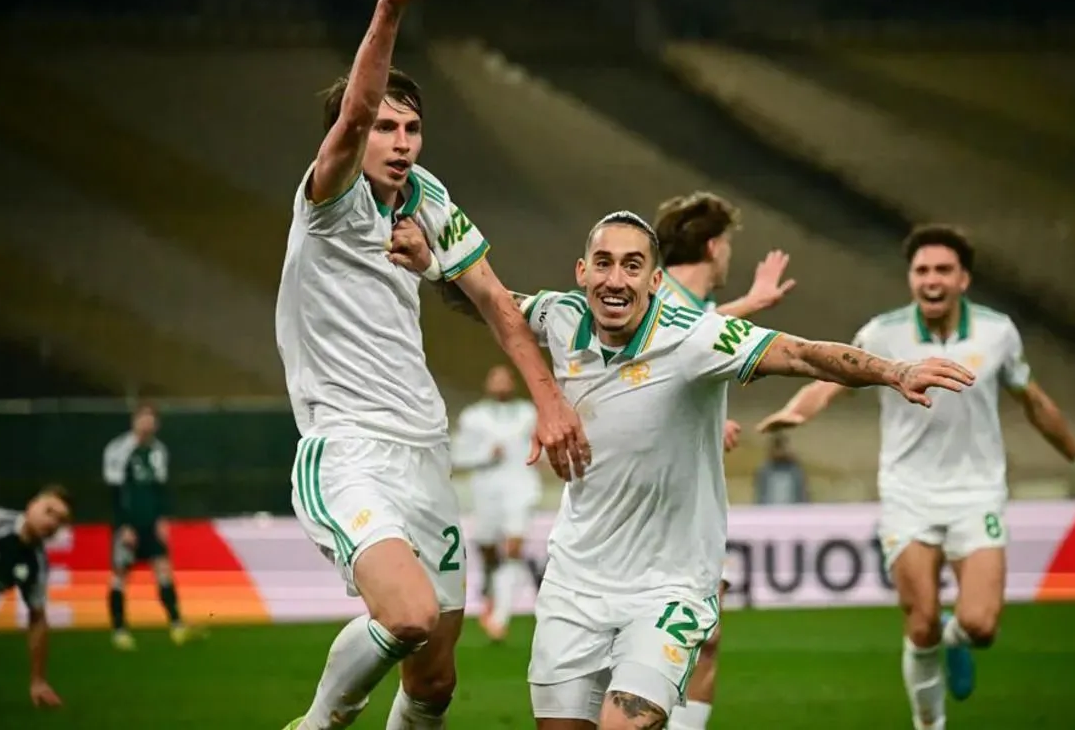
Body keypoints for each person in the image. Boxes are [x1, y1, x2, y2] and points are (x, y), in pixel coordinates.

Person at [391, 210, 973, 729]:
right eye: (603, 263)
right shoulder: (561, 316)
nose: (616, 279)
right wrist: (431, 265)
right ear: (582, 272)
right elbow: (487, 302)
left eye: (633, 266)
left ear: (654, 280)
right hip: (574, 583)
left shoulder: (695, 338)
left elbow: (798, 353)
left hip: (668, 587)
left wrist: (894, 371)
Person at [274, 0, 588, 730]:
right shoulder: (329, 195)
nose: (401, 140)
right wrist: (391, 4)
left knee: (435, 681)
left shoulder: (427, 199)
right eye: (386, 126)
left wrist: (551, 404)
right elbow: (354, 111)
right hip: (348, 450)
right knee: (407, 616)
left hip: (424, 453)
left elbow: (496, 302)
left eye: (412, 127)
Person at [756, 224, 1075, 730]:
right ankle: (930, 725)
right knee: (920, 622)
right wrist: (796, 412)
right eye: (922, 270)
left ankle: (957, 639)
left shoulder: (998, 332)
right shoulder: (883, 333)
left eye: (943, 270)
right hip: (908, 494)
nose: (931, 279)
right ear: (911, 277)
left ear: (963, 279)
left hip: (978, 493)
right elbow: (834, 376)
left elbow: (1034, 401)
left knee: (981, 625)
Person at [652, 191, 796, 730]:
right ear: (714, 247)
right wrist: (752, 304)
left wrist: (710, 423)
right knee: (631, 651)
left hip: (693, 506)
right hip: (640, 507)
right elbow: (666, 345)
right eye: (728, 244)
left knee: (705, 638)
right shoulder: (648, 297)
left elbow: (686, 353)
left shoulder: (698, 312)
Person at [451, 364, 540, 642]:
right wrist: (485, 454)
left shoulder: (529, 413)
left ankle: (499, 618)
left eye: (505, 378)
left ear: (513, 382)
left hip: (521, 488)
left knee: (513, 547)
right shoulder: (473, 417)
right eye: (496, 378)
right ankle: (493, 582)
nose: (501, 383)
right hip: (486, 491)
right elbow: (457, 456)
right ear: (488, 383)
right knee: (488, 548)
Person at [0, 486, 71, 709]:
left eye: (60, 520)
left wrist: (38, 680)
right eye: (49, 511)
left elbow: (37, 619)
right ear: (31, 505)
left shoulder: (36, 564)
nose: (52, 522)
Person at [103, 402, 189, 649]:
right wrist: (123, 525)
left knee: (163, 570)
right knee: (120, 574)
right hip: (128, 524)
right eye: (143, 418)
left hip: (151, 523)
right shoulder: (118, 449)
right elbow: (114, 492)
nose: (147, 424)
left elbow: (160, 489)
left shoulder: (158, 451)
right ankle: (119, 629)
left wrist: (161, 518)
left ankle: (177, 625)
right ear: (134, 421)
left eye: (151, 419)